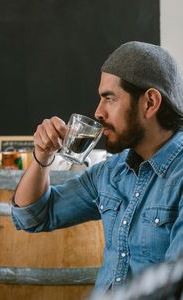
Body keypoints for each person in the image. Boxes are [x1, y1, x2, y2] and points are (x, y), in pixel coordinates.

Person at [11, 41, 183, 292]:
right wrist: (42, 156)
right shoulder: (112, 172)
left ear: (150, 103)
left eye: (109, 99)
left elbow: (175, 287)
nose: (98, 112)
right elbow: (33, 216)